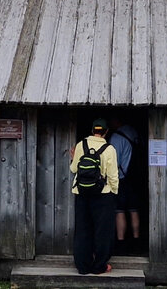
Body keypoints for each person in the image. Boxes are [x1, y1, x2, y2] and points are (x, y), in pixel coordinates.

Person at [70, 117, 119, 275]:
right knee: (102, 230)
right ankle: (99, 266)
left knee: (83, 229)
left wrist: (73, 158)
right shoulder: (109, 149)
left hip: (82, 193)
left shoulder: (80, 145)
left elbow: (73, 169)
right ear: (105, 132)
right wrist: (114, 192)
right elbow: (113, 175)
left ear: (92, 131)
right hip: (102, 194)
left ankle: (82, 266)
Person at [108, 117, 141, 254]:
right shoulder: (133, 132)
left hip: (121, 179)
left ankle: (121, 243)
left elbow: (113, 162)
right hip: (134, 178)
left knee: (119, 211)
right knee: (134, 210)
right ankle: (136, 241)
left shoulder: (116, 138)